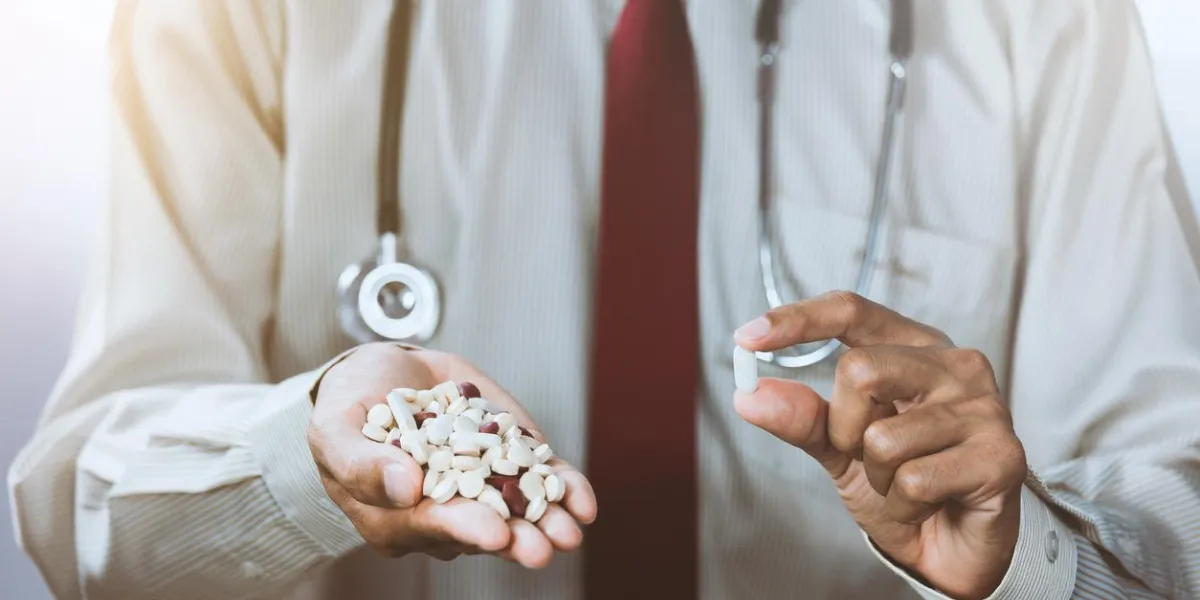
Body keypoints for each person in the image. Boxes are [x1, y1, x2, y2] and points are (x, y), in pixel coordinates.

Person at [9, 0, 1200, 599]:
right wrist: (302, 451)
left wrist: (1022, 556)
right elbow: (81, 499)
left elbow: (1177, 510)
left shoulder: (1046, 23)